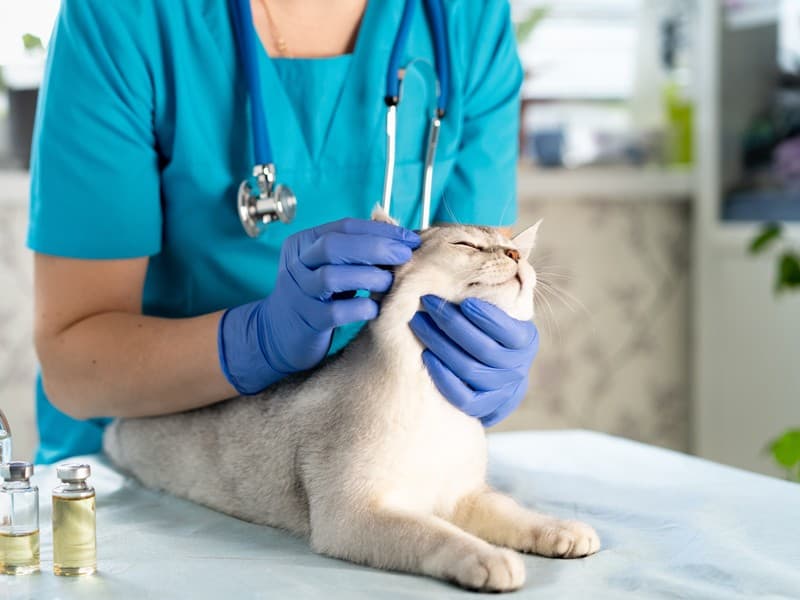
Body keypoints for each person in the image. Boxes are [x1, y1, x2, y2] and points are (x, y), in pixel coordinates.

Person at [29, 0, 539, 464]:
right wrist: (255, 340)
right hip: (142, 468)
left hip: (366, 456)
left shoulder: (464, 17)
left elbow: (475, 281)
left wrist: (483, 358)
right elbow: (74, 367)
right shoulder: (124, 16)